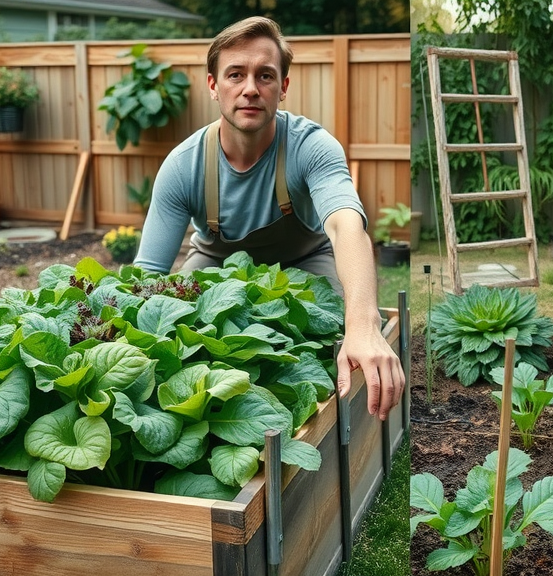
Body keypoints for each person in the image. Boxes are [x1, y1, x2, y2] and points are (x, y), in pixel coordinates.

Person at [134, 16, 404, 420]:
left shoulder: (311, 147)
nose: (250, 89)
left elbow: (345, 225)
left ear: (283, 87)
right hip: (214, 270)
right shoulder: (183, 166)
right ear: (213, 86)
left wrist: (362, 322)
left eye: (265, 76)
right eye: (235, 75)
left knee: (329, 337)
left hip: (306, 264)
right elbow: (148, 273)